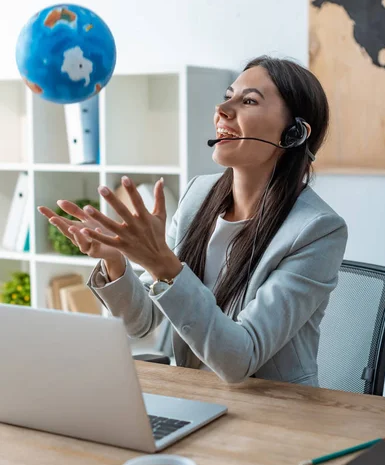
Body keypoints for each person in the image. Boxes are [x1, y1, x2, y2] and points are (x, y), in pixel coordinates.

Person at [38, 56, 348, 386]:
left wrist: (165, 266)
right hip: (196, 396)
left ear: (294, 133)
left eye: (248, 101)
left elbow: (240, 358)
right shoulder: (198, 194)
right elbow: (142, 322)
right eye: (228, 95)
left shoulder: (317, 229)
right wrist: (114, 259)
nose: (223, 109)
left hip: (276, 410)